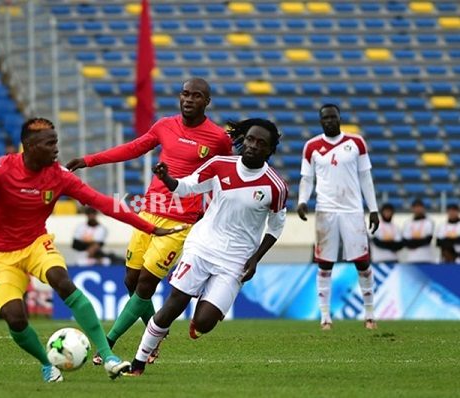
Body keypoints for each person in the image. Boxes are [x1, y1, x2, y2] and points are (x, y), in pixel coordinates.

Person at [0, 117, 184, 382]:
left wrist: (149, 227)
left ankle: (107, 356)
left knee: (63, 281)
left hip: (36, 244)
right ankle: (46, 364)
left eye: (56, 142)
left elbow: (103, 203)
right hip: (1, 255)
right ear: (29, 146)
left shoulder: (58, 176)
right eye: (49, 143)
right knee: (16, 319)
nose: (56, 150)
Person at [66, 77, 233, 364]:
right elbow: (133, 148)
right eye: (184, 94)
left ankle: (108, 342)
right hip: (149, 210)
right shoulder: (164, 126)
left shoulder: (218, 139)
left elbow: (225, 177)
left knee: (145, 284)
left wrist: (212, 213)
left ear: (207, 102)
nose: (188, 100)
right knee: (130, 280)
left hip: (180, 222)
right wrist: (88, 160)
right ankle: (154, 334)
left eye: (196, 96)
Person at [126, 118, 287, 376]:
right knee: (175, 303)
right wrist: (167, 179)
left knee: (204, 322)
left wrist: (256, 258)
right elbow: (188, 187)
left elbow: (276, 226)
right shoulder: (219, 165)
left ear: (269, 150)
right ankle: (139, 361)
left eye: (261, 143)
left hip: (236, 260)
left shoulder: (275, 186)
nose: (253, 146)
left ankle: (202, 314)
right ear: (242, 140)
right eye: (250, 139)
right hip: (202, 246)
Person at [296, 103, 379, 331]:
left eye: (333, 117)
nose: (329, 121)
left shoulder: (356, 143)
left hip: (352, 210)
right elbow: (307, 178)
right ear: (320, 121)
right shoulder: (311, 146)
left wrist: (373, 209)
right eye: (325, 118)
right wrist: (303, 200)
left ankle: (370, 315)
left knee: (362, 262)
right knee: (324, 264)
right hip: (326, 210)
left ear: (339, 118)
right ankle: (325, 318)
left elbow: (365, 177)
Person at [402, 199, 435, 264]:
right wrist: (419, 241)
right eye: (416, 207)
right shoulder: (407, 223)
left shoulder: (429, 222)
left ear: (423, 208)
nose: (418, 209)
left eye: (420, 207)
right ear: (412, 208)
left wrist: (412, 244)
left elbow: (427, 240)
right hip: (411, 259)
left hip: (426, 258)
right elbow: (405, 241)